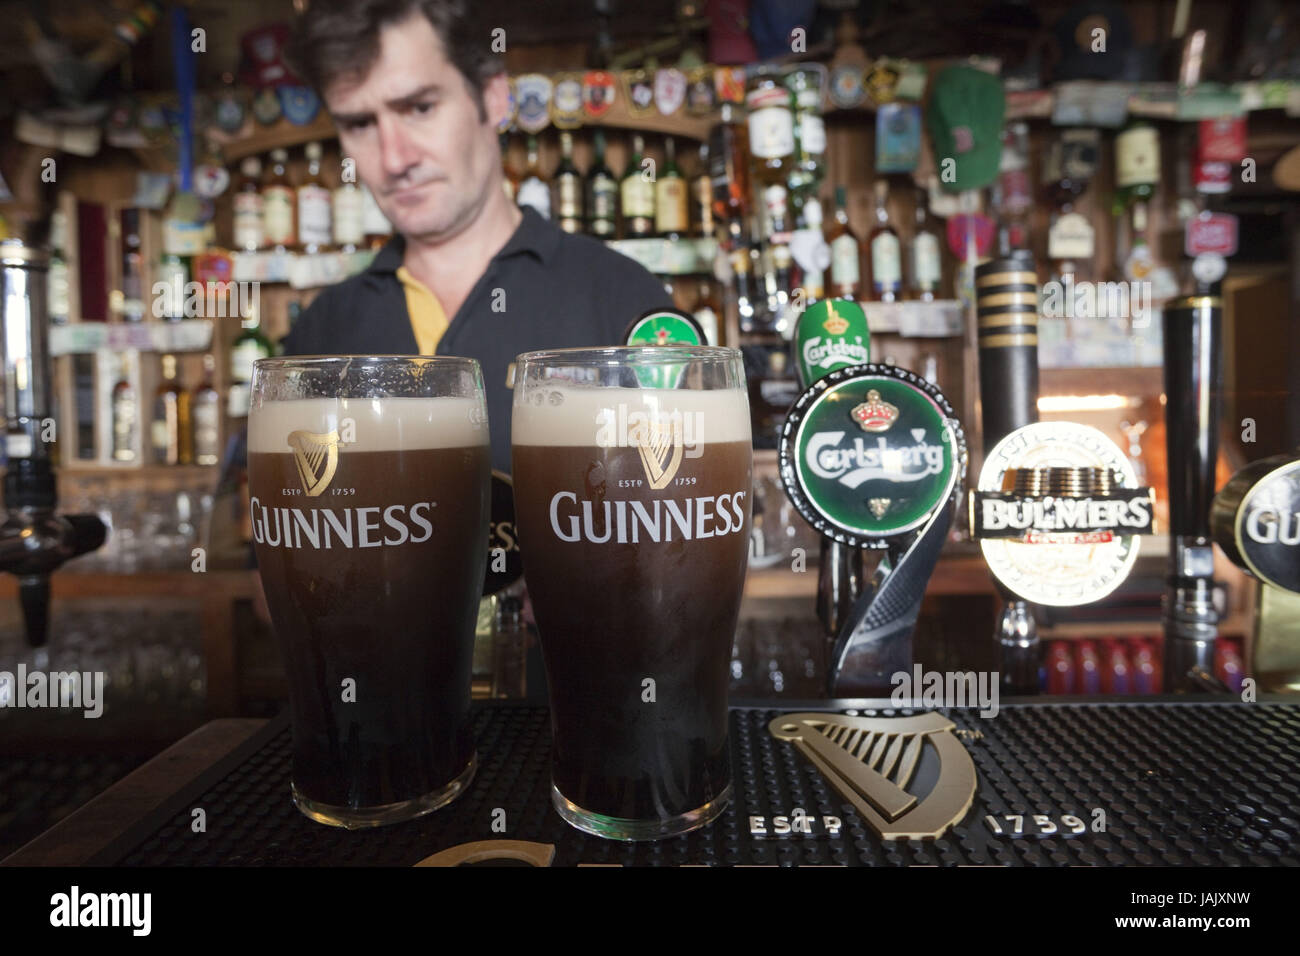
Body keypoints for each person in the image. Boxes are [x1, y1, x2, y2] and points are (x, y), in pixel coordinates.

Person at [283, 0, 673, 471]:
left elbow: (686, 522)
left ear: (493, 99)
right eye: (360, 123)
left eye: (420, 107)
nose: (393, 159)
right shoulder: (321, 332)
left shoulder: (624, 298)